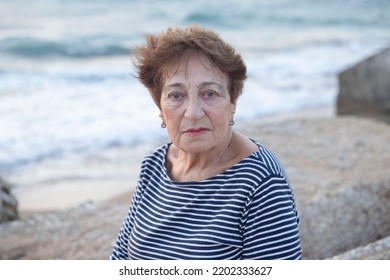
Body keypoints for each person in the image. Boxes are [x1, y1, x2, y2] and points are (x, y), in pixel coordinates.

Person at [110, 25, 302, 260]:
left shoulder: (261, 183)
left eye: (209, 93)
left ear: (232, 104)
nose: (193, 112)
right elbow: (121, 258)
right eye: (176, 95)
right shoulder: (153, 166)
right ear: (160, 109)